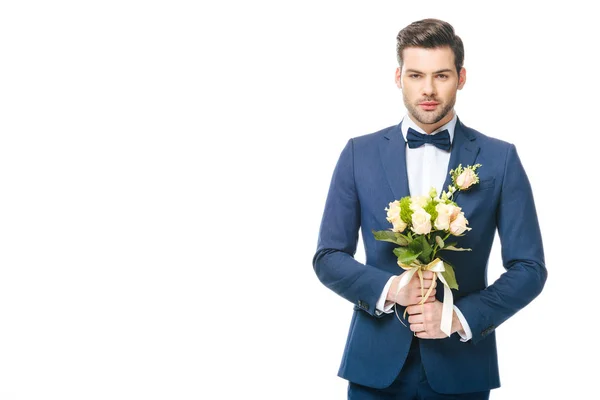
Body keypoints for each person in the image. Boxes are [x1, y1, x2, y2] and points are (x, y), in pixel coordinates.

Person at [312, 18, 547, 399]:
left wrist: (458, 316)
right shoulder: (359, 154)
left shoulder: (500, 159)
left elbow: (530, 268)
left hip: (462, 369)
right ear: (398, 76)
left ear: (461, 76)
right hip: (374, 369)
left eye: (441, 75)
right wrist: (391, 290)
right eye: (416, 75)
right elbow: (327, 256)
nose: (428, 89)